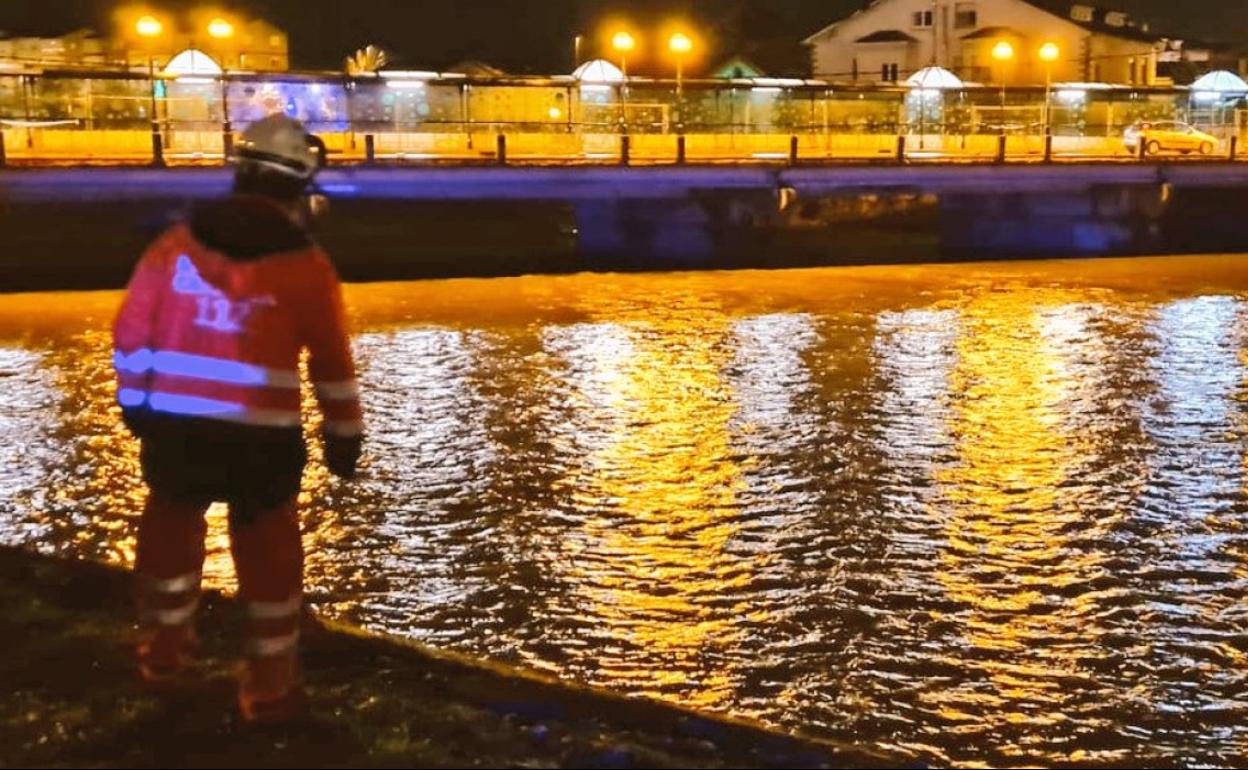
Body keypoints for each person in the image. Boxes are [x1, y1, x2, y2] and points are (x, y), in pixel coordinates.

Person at [112, 114, 364, 722]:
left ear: (241, 171)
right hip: (262, 437)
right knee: (269, 549)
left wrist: (135, 401)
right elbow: (331, 359)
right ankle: (270, 686)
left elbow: (131, 332)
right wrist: (344, 434)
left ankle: (165, 655)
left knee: (170, 532)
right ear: (300, 185)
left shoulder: (174, 246)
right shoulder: (306, 264)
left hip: (175, 428)